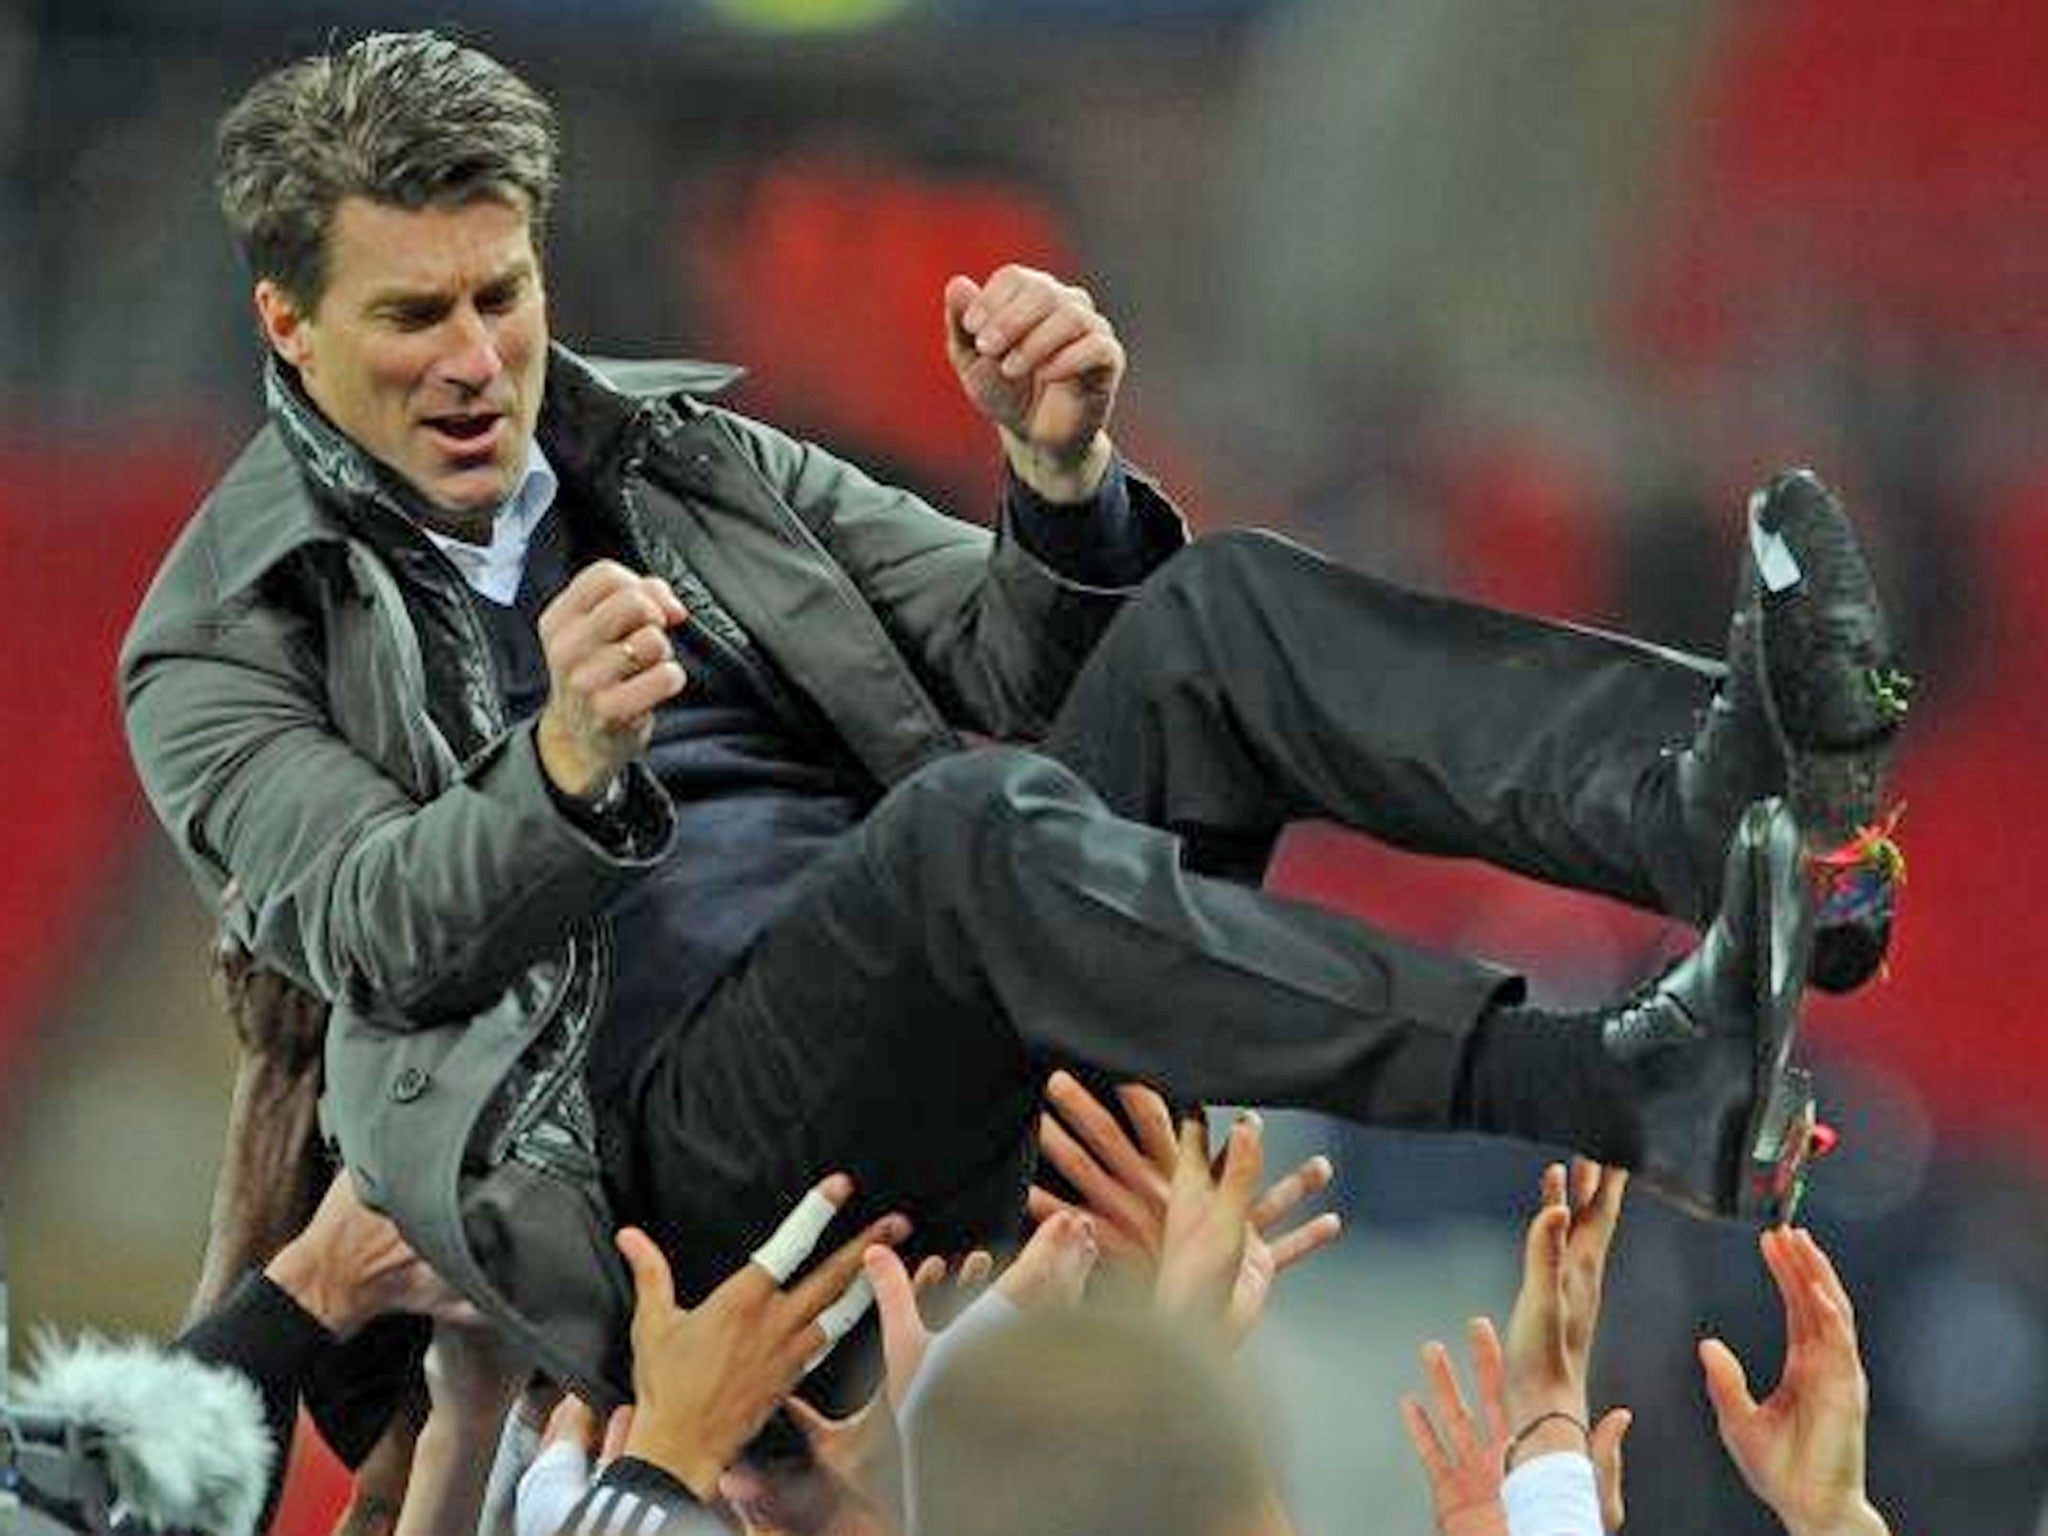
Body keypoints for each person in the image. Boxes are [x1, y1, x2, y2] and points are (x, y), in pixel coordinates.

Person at [120, 30, 1910, 1407]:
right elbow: (369, 928)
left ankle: (1740, 817)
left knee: (1209, 606)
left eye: (503, 297)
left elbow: (1009, 661)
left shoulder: (684, 453)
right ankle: (1619, 1081)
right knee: (956, 842)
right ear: (289, 327)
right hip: (688, 1199)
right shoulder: (221, 641)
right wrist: (563, 767)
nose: (476, 360)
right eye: (412, 317)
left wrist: (1057, 487)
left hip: (969, 1017)